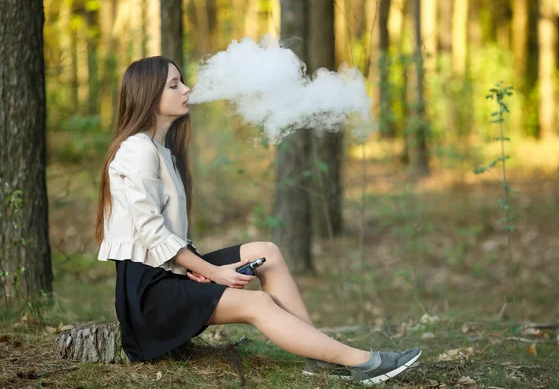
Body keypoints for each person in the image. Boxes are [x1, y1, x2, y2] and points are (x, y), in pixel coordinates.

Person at [95, 56, 421, 385]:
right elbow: (151, 233)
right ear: (149, 94)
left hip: (171, 275)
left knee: (267, 252)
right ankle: (364, 362)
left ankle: (318, 358)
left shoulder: (162, 150)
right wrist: (212, 271)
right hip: (150, 299)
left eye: (183, 81)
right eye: (174, 84)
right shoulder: (136, 150)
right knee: (259, 302)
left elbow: (163, 235)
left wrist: (193, 268)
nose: (187, 89)